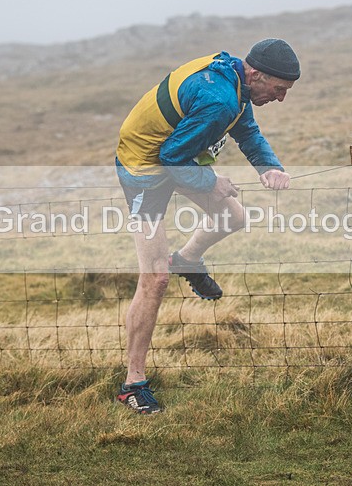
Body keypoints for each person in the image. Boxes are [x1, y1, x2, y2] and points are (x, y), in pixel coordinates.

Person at [114, 39, 300, 413]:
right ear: (257, 75)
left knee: (233, 216)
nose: (281, 99)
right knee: (154, 279)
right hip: (143, 168)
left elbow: (245, 131)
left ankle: (186, 259)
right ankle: (133, 384)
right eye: (279, 90)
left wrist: (270, 167)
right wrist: (210, 182)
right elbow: (170, 158)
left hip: (174, 154)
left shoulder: (235, 83)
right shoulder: (220, 98)